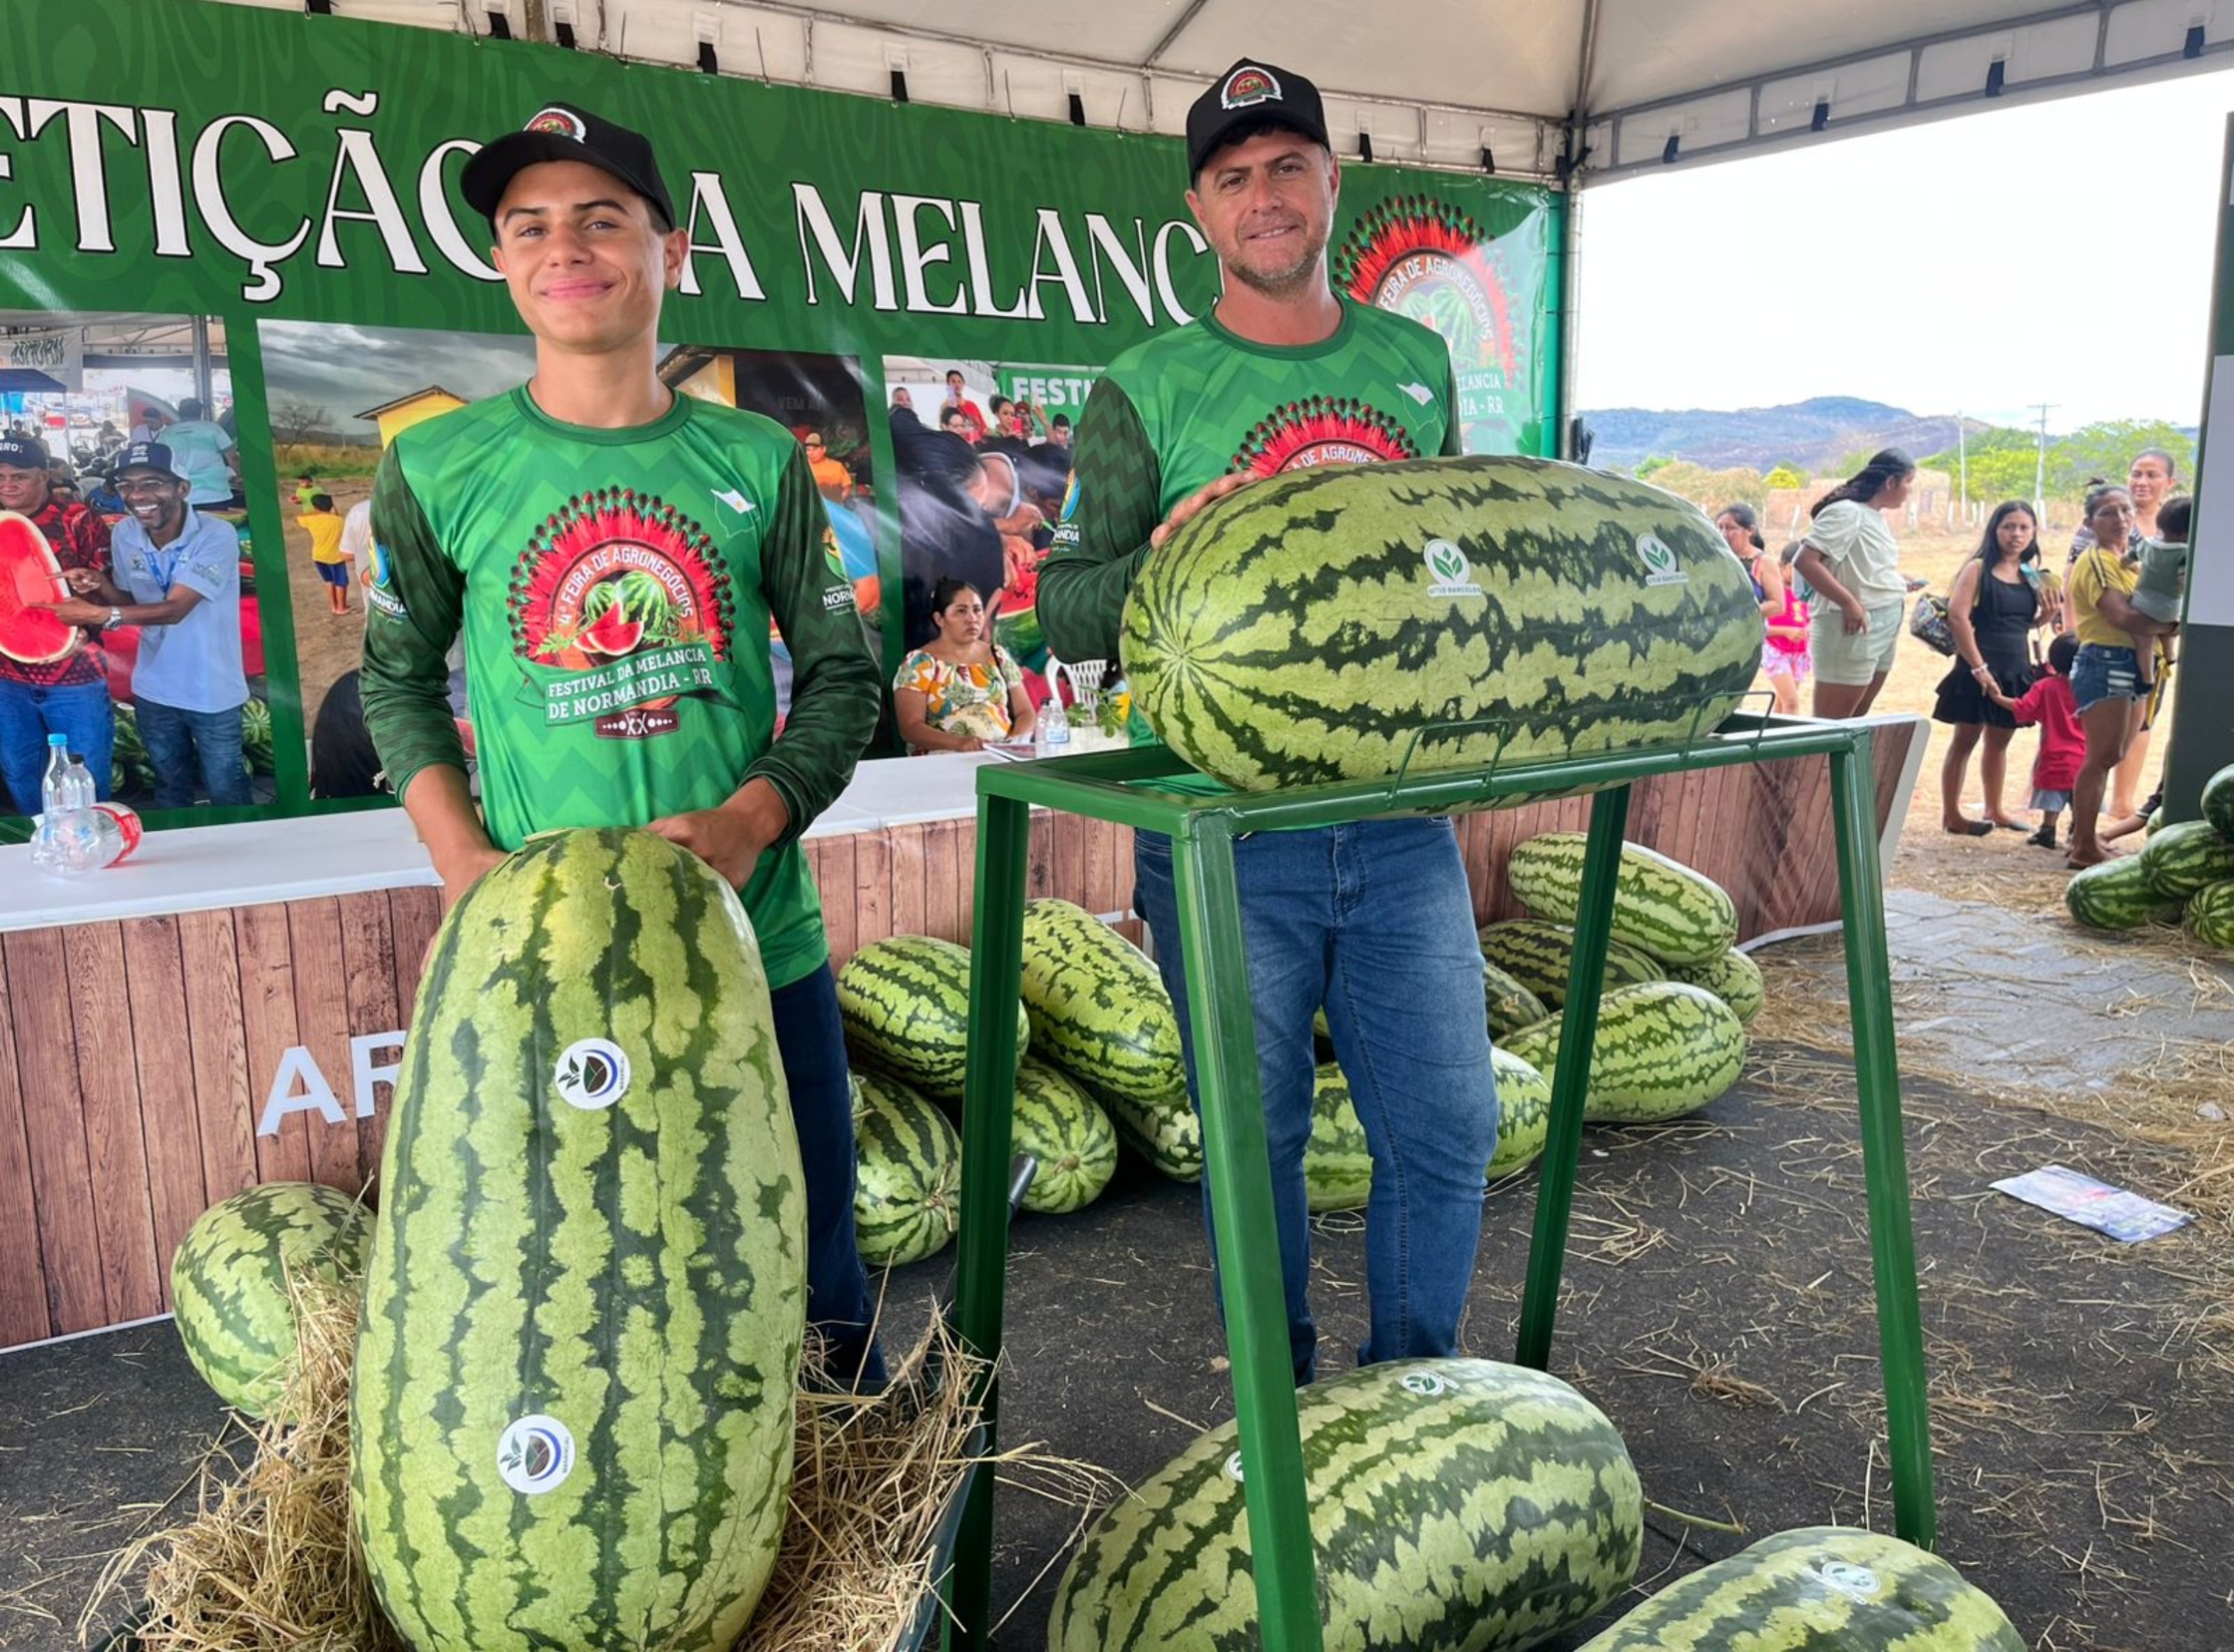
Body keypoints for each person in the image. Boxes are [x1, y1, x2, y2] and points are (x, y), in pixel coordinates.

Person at [358, 101, 886, 1384]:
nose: (564, 246)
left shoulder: (755, 458)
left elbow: (838, 681)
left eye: (602, 218)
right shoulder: (438, 466)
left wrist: (748, 822)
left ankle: (879, 1574)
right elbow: (394, 682)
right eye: (527, 225)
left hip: (760, 945)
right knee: (586, 1291)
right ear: (502, 261)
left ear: (672, 248)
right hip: (549, 960)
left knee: (813, 1291)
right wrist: (462, 864)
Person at [1036, 58, 1498, 1384]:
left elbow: (1455, 576)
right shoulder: (1147, 385)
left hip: (1400, 825)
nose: (1265, 195)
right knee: (1259, 1141)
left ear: (1331, 183)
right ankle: (1281, 1408)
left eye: (1288, 165)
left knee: (1448, 1127)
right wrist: (1161, 554)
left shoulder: (1412, 366)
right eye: (1235, 176)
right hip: (1224, 837)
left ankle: (1414, 1392)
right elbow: (1066, 612)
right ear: (1201, 210)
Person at [41, 442, 251, 810]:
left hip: (212, 689)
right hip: (154, 689)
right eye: (128, 485)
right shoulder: (125, 534)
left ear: (182, 488)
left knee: (227, 790)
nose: (138, 495)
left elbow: (175, 610)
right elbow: (130, 602)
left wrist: (96, 616)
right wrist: (97, 584)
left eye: (153, 483)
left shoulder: (215, 536)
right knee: (170, 788)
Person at [0, 433, 114, 815]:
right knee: (20, 769)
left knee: (86, 772)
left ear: (45, 475)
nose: (7, 484)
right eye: (0, 476)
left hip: (75, 675)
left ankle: (88, 841)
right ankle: (42, 840)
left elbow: (107, 584)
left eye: (20, 476)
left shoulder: (77, 519)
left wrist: (90, 595)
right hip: (7, 677)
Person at [2064, 485, 2177, 867]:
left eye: (2125, 511)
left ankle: (2087, 838)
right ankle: (2082, 846)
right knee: (2100, 757)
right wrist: (2170, 621)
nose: (2120, 519)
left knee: (2114, 754)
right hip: (2107, 660)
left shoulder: (2131, 561)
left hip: (2133, 665)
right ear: (2090, 522)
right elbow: (2121, 617)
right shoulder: (2096, 561)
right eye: (2108, 513)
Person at [1930, 501, 2050, 835]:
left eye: (2024, 528)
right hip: (1977, 667)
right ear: (1995, 530)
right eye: (2008, 527)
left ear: (2034, 532)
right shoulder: (1978, 569)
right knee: (1965, 739)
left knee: (2000, 741)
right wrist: (1978, 667)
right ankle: (1952, 814)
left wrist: (2049, 618)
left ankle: (1995, 808)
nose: (2016, 535)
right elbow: (1958, 617)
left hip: (2014, 668)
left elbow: (2022, 624)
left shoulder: (2030, 574)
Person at [1789, 449, 1915, 719]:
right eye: (1908, 483)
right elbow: (1806, 561)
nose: (1909, 491)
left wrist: (1895, 580)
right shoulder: (1847, 513)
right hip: (1851, 628)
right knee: (1833, 726)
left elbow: (1855, 566)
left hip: (1881, 626)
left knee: (1855, 720)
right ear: (1890, 482)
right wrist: (1848, 603)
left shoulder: (1872, 516)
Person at [892, 578, 1037, 753]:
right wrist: (959, 744)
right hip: (941, 763)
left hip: (998, 759)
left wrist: (1013, 744)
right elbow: (910, 728)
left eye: (977, 610)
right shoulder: (920, 663)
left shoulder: (998, 656)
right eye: (961, 612)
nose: (972, 619)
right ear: (940, 619)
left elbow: (1026, 713)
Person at [1988, 633, 2084, 852]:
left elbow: (2023, 708)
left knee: (2053, 798)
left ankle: (2048, 830)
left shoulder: (2046, 687)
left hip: (2055, 755)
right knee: (2081, 796)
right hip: (2085, 754)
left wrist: (1997, 697)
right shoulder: (2088, 687)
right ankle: (2079, 830)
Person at [1717, 504, 1808, 714]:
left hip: (1745, 640)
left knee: (1732, 698)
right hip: (1718, 639)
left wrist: (1740, 615)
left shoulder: (1762, 563)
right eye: (1720, 527)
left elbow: (1777, 605)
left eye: (1731, 528)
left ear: (1750, 531)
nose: (1724, 534)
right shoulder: (1717, 559)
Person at [163, 398, 239, 508]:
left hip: (182, 496)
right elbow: (233, 458)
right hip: (216, 495)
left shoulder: (166, 434)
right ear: (200, 411)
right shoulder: (214, 429)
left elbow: (161, 465)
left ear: (179, 412)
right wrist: (241, 476)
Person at [299, 491, 351, 614]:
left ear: (315, 507)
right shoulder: (339, 521)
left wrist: (315, 512)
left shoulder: (312, 520)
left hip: (318, 556)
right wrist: (334, 513)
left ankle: (333, 606)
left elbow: (299, 516)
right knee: (341, 582)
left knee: (328, 581)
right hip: (335, 557)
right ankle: (341, 607)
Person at [802, 430, 853, 502]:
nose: (811, 453)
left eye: (814, 450)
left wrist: (839, 501)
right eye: (808, 450)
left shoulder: (836, 467)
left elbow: (847, 487)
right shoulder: (802, 466)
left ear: (824, 449)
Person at [941, 370, 987, 442]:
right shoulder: (946, 407)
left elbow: (983, 428)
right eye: (953, 382)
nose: (957, 385)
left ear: (963, 385)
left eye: (960, 382)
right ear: (948, 384)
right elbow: (944, 430)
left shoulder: (972, 405)